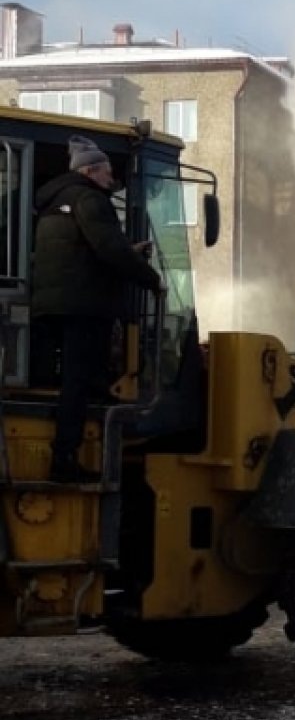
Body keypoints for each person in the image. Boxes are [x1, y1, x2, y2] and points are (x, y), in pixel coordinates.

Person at [32, 135, 162, 483]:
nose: (111, 182)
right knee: (79, 381)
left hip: (55, 304)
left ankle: (82, 443)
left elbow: (80, 251)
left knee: (84, 380)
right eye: (107, 175)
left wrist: (127, 250)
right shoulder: (90, 200)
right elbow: (108, 249)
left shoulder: (53, 203)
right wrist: (150, 278)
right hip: (83, 306)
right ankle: (65, 458)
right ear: (91, 171)